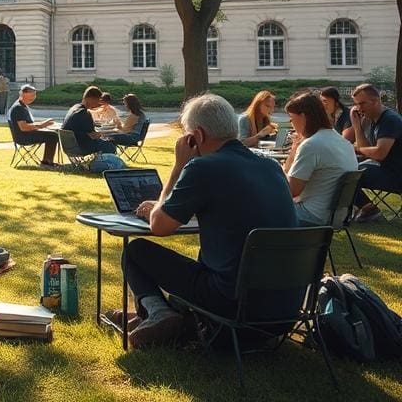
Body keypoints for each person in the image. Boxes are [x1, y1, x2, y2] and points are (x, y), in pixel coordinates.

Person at [121, 94, 297, 349]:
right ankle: (158, 314)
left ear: (198, 136)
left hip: (233, 304)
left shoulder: (203, 168)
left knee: (136, 251)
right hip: (284, 308)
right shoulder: (270, 166)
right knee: (209, 263)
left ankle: (161, 313)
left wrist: (179, 165)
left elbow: (159, 226)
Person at [282, 92, 357, 226]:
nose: (291, 123)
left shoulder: (312, 144)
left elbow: (290, 191)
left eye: (291, 118)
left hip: (312, 216)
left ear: (303, 116)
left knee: (255, 207)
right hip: (337, 217)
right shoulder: (341, 141)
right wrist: (296, 147)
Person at [349, 84, 402, 223]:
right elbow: (366, 149)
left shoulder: (390, 120)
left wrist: (356, 149)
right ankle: (368, 209)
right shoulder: (373, 120)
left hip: (396, 174)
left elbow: (379, 153)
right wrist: (356, 125)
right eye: (356, 104)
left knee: (348, 174)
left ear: (376, 101)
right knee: (343, 167)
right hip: (387, 169)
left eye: (362, 103)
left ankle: (368, 210)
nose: (358, 108)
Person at [8, 84, 59, 168]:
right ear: (22, 94)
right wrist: (42, 125)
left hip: (26, 134)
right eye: (30, 96)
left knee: (52, 134)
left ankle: (47, 161)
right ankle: (47, 162)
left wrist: (43, 124)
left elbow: (30, 123)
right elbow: (23, 127)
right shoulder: (18, 108)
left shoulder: (22, 105)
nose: (33, 98)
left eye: (34, 95)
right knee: (52, 136)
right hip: (23, 137)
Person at [61, 86, 116, 156]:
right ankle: (103, 164)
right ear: (90, 99)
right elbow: (92, 135)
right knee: (110, 146)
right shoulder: (84, 113)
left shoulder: (74, 108)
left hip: (69, 146)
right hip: (81, 146)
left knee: (105, 142)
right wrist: (101, 134)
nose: (98, 104)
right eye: (97, 100)